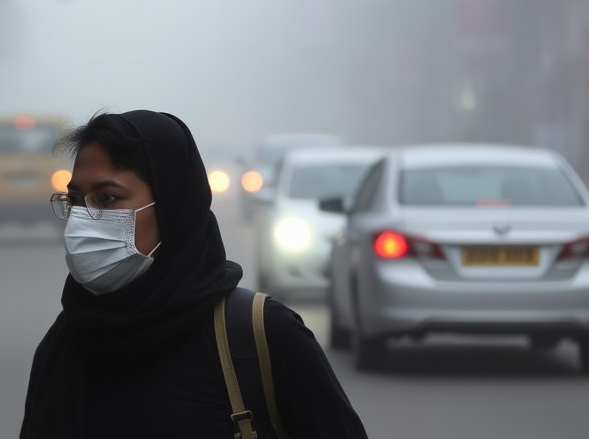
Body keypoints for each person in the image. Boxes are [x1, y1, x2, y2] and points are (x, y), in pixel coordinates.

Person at [20, 110, 367, 439]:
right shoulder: (64, 346)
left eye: (107, 198)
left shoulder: (263, 337)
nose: (82, 219)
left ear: (172, 206)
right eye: (75, 200)